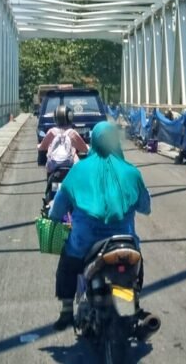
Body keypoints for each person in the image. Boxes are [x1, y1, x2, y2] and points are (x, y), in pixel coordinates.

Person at [48, 121, 152, 330]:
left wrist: (54, 216)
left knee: (67, 261)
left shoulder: (78, 171)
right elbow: (145, 207)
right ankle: (135, 302)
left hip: (85, 244)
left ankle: (67, 310)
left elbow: (57, 211)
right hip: (124, 242)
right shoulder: (131, 172)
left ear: (94, 142)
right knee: (136, 261)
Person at [38, 105, 88, 173]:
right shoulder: (72, 133)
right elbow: (84, 149)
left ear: (55, 118)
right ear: (70, 117)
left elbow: (42, 147)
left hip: (53, 166)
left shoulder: (52, 132)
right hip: (71, 165)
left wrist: (39, 147)